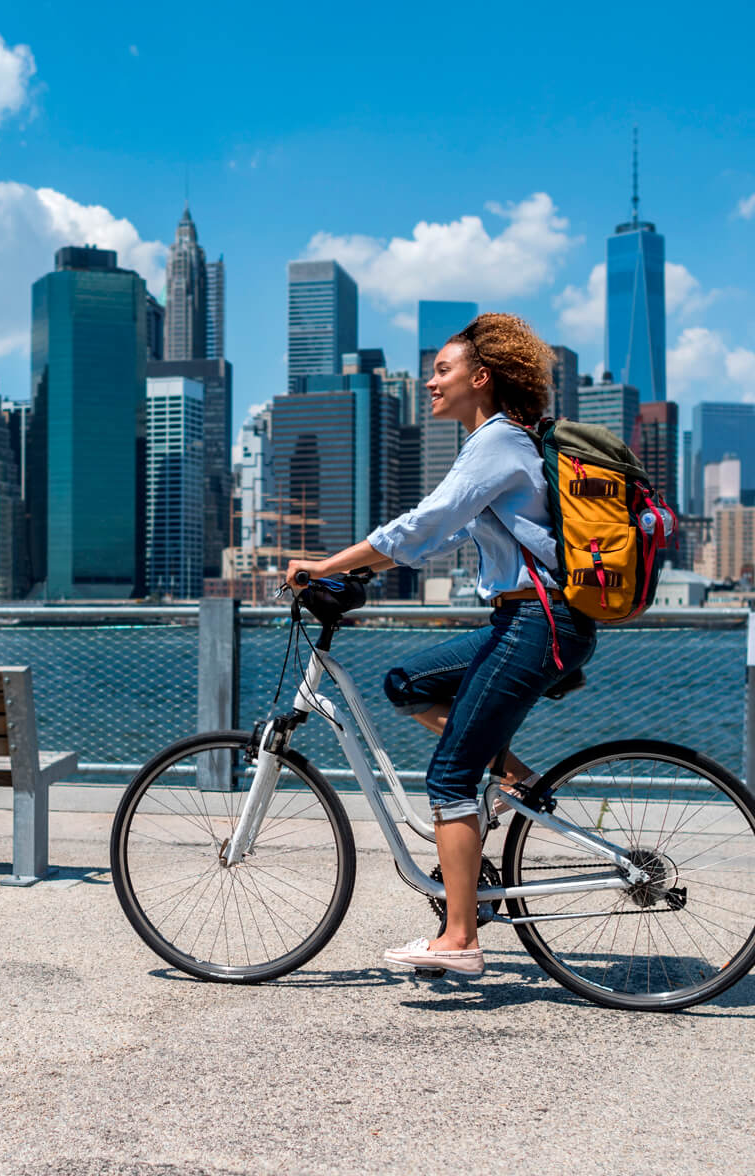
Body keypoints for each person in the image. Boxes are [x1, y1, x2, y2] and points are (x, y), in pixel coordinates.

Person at [284, 312, 597, 977]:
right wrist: (357, 567)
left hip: (537, 623)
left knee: (450, 776)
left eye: (443, 371)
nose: (430, 382)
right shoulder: (495, 442)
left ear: (480, 379)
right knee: (408, 684)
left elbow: (424, 522)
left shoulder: (497, 442)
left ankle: (460, 940)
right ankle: (513, 775)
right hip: (527, 620)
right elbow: (444, 536)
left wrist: (329, 566)